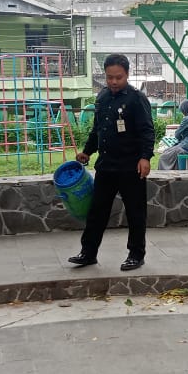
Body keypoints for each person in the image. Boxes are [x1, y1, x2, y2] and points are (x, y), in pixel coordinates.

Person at [68, 54, 155, 271]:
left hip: (131, 166)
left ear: (127, 75)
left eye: (118, 77)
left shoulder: (136, 99)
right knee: (97, 211)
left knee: (135, 212)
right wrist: (87, 151)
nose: (113, 82)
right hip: (106, 166)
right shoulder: (103, 97)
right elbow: (98, 130)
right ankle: (88, 252)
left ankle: (136, 254)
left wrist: (145, 157)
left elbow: (147, 131)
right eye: (109, 78)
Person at [158, 99, 188, 170]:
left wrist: (183, 137)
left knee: (164, 156)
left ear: (185, 109)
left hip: (185, 147)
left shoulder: (186, 119)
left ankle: (165, 174)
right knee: (170, 152)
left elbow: (177, 134)